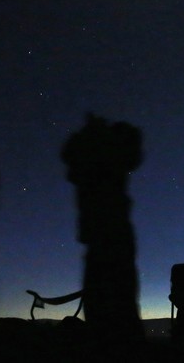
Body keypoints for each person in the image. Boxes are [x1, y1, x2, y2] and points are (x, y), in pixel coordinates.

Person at [60, 113, 144, 341]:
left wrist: (94, 133)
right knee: (113, 299)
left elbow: (132, 151)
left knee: (111, 300)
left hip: (105, 235)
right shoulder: (100, 161)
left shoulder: (95, 160)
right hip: (108, 234)